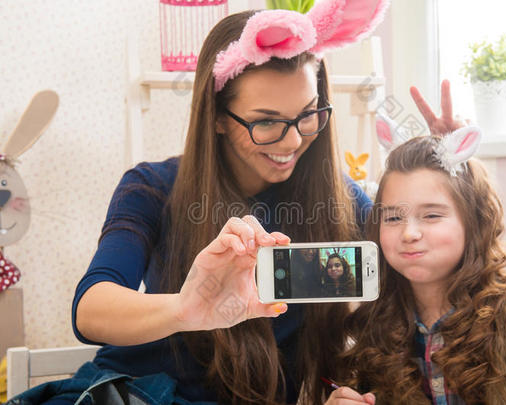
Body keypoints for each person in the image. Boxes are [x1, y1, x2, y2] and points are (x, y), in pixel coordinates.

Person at [9, 2, 392, 404]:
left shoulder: (339, 198)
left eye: (308, 114)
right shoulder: (152, 187)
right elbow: (90, 309)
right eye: (265, 121)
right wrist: (186, 309)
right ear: (217, 117)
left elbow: (416, 274)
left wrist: (454, 175)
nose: (294, 140)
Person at [325, 128, 506, 404]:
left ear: (473, 223)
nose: (409, 233)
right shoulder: (374, 334)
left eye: (432, 215)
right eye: (393, 218)